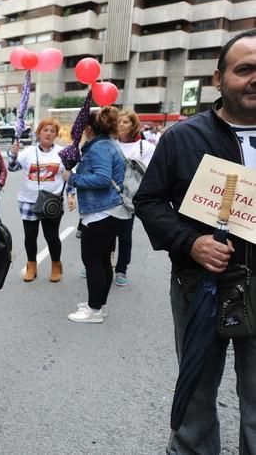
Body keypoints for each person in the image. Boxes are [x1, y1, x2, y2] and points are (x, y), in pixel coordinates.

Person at [134, 29, 256, 454]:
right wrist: (191, 243)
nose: (255, 78)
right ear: (218, 79)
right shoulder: (182, 137)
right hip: (199, 287)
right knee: (197, 396)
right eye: (245, 70)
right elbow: (148, 201)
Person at [63, 106, 130, 323]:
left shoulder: (100, 147)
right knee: (101, 261)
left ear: (90, 128)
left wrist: (72, 179)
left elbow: (102, 178)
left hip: (102, 212)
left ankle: (94, 310)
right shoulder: (108, 144)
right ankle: (99, 304)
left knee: (92, 261)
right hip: (111, 211)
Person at [7, 117, 75, 283]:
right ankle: (31, 266)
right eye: (45, 130)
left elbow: (69, 176)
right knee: (30, 236)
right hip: (28, 200)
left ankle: (56, 265)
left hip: (51, 202)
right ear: (39, 133)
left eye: (52, 131)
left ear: (56, 135)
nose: (49, 133)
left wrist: (71, 195)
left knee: (51, 236)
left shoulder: (62, 153)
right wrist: (13, 154)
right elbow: (13, 167)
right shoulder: (29, 152)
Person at [111, 110, 156, 287]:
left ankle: (121, 269)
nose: (121, 125)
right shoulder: (110, 144)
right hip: (109, 196)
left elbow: (148, 173)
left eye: (126, 122)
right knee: (105, 234)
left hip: (130, 199)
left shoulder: (146, 147)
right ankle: (103, 263)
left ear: (134, 125)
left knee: (124, 234)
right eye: (119, 121)